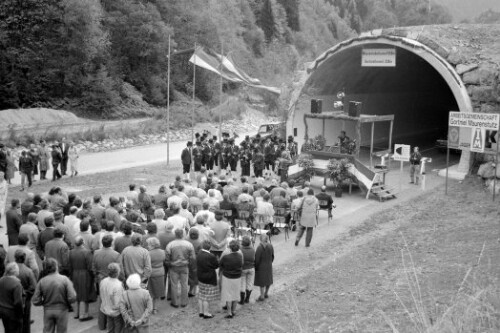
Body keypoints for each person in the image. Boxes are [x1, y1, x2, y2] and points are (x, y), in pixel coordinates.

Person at [33, 258, 77, 333]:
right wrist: (67, 302)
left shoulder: (42, 281)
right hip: (62, 309)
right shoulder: (64, 279)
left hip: (48, 310)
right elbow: (72, 297)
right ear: (56, 267)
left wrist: (43, 303)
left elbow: (35, 300)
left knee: (47, 331)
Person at [92, 235, 120, 330]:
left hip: (101, 279)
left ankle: (101, 325)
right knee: (112, 302)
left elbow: (93, 267)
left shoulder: (96, 253)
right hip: (112, 279)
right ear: (111, 243)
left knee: (102, 300)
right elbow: (120, 270)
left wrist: (97, 276)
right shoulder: (115, 254)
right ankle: (111, 326)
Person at [165, 228, 195, 308]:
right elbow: (192, 257)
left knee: (174, 284)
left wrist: (169, 264)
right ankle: (184, 302)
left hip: (173, 266)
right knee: (184, 284)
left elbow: (167, 257)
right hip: (184, 266)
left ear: (175, 234)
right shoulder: (189, 244)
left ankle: (174, 302)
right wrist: (189, 263)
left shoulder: (170, 244)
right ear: (183, 234)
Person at [69, 236, 96, 321]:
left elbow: (69, 265)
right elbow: (90, 266)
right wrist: (93, 275)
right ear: (83, 242)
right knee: (84, 294)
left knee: (76, 293)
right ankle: (83, 314)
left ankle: (76, 313)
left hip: (74, 273)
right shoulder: (87, 252)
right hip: (85, 274)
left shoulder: (71, 252)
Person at [220, 239, 243, 318]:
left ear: (230, 247)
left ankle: (229, 312)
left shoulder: (226, 257)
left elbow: (221, 265)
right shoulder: (240, 256)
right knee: (236, 294)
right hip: (237, 276)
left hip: (228, 277)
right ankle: (234, 310)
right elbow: (242, 264)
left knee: (228, 295)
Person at [15, 250, 37, 333]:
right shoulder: (28, 271)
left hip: (12, 300)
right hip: (26, 300)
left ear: (15, 258)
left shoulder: (10, 269)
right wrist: (27, 294)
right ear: (24, 258)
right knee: (26, 321)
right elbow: (33, 287)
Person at [99, 263, 125, 333]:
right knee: (118, 325)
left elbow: (101, 295)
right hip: (115, 311)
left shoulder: (103, 281)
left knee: (110, 324)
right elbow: (117, 304)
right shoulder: (118, 285)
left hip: (106, 308)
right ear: (118, 272)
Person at [0, 263, 24, 332]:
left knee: (7, 330)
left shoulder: (1, 280)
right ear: (15, 271)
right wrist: (21, 314)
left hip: (3, 311)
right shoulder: (17, 284)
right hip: (12, 313)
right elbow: (18, 302)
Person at [146, 237, 165, 314]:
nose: (147, 246)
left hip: (151, 273)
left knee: (149, 292)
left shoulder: (148, 253)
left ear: (152, 245)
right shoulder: (163, 252)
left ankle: (148, 308)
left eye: (148, 244)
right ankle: (155, 309)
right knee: (157, 292)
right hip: (160, 272)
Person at [254, 234, 274, 301]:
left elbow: (257, 259)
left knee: (262, 281)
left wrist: (255, 266)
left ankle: (262, 296)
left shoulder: (259, 247)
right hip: (269, 265)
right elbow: (273, 256)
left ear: (260, 239)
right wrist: (270, 262)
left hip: (261, 266)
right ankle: (266, 293)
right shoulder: (270, 245)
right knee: (268, 280)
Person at [239, 235, 255, 305]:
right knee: (249, 284)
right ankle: (247, 299)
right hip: (251, 268)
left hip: (243, 268)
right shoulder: (252, 249)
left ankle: (242, 300)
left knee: (242, 284)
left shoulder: (241, 249)